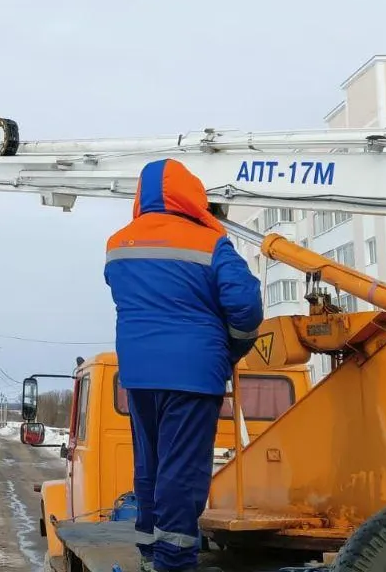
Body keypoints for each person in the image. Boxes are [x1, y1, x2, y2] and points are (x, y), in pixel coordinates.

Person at [103, 159, 264, 572]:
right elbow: (245, 306)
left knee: (150, 465)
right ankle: (174, 559)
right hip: (194, 373)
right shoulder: (211, 243)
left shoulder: (118, 245)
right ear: (190, 193)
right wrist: (230, 349)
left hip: (137, 373)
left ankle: (150, 550)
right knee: (183, 470)